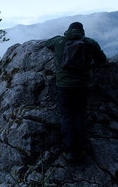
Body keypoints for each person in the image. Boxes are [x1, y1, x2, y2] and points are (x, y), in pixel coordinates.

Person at [45, 22, 107, 162]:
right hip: (82, 86)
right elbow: (102, 59)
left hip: (63, 86)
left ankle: (70, 151)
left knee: (66, 116)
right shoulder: (90, 43)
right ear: (82, 31)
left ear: (68, 30)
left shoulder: (59, 41)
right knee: (79, 114)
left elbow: (46, 43)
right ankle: (82, 148)